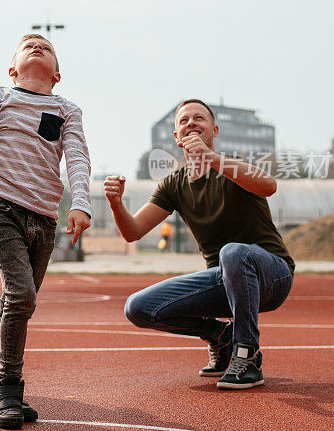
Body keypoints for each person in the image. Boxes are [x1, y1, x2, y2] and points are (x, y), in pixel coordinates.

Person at [0, 34, 91, 429]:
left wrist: (81, 203)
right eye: (28, 45)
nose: (37, 46)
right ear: (13, 68)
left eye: (45, 46)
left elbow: (77, 157)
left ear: (57, 74)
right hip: (2, 205)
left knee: (18, 302)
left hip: (44, 217)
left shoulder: (67, 109)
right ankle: (10, 387)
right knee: (22, 293)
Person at [104, 99, 294, 390]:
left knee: (233, 251)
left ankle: (247, 355)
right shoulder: (173, 184)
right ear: (177, 138)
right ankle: (221, 336)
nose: (191, 123)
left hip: (272, 274)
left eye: (199, 119)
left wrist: (212, 159)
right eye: (184, 121)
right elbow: (133, 232)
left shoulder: (233, 168)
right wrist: (116, 204)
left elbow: (269, 185)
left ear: (214, 130)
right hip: (224, 282)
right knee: (138, 307)